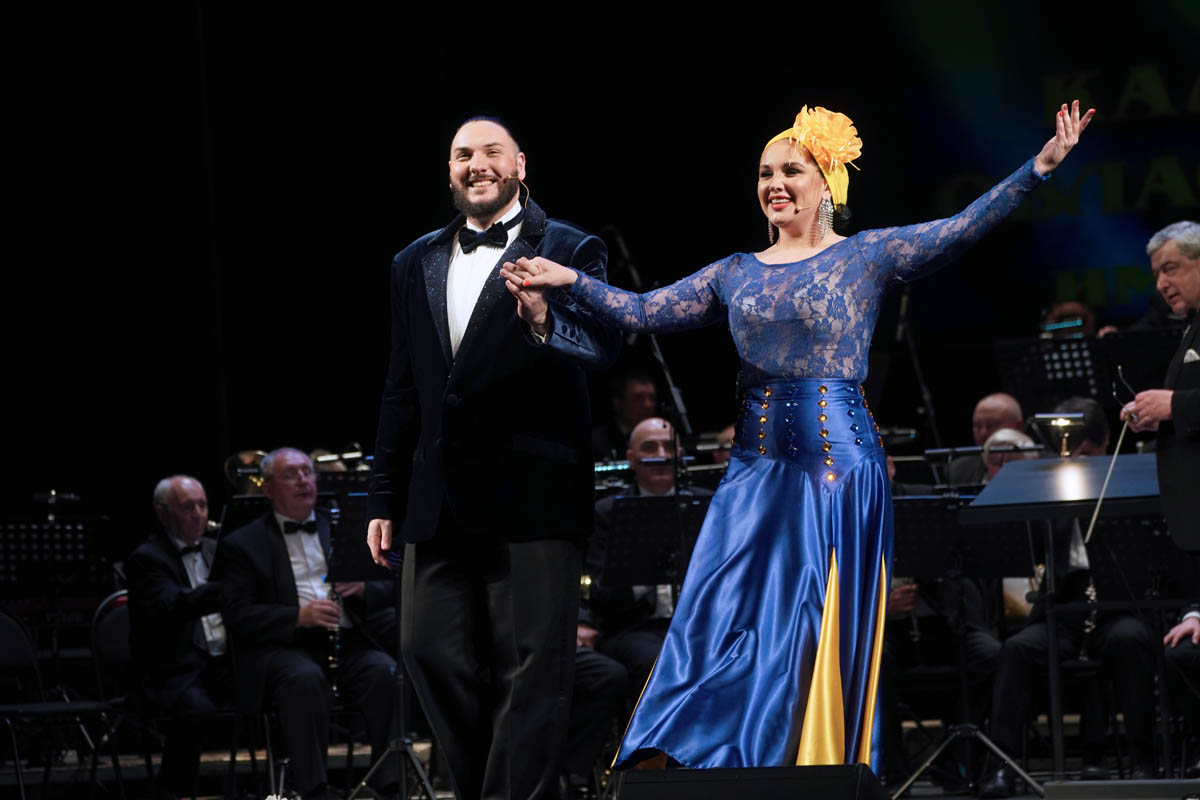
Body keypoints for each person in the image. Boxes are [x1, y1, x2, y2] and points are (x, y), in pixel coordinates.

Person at [503, 101, 1093, 771]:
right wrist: (568, 279)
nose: (775, 183)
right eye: (765, 173)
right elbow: (641, 312)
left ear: (826, 182)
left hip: (835, 468)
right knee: (717, 608)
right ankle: (716, 755)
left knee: (811, 618)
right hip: (753, 469)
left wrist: (1039, 167)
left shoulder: (864, 256)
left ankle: (812, 764)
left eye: (791, 170)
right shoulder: (735, 271)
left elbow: (960, 228)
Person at [364, 116, 620, 800]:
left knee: (532, 669)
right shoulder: (413, 260)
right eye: (462, 155)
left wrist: (543, 321)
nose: (476, 164)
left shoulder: (571, 247)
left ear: (520, 165)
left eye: (490, 152)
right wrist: (383, 496)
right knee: (425, 649)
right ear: (449, 171)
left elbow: (604, 349)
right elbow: (401, 387)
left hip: (534, 492)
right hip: (438, 499)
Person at [979, 403, 1158, 796]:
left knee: (1131, 640)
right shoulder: (1051, 482)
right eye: (1071, 452)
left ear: (1106, 443)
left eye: (1088, 453)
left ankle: (1144, 759)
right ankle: (1002, 766)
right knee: (1017, 650)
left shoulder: (1126, 481)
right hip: (1065, 606)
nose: (1079, 461)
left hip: (1115, 606)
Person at [212, 447, 397, 800]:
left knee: (384, 672)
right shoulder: (242, 544)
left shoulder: (341, 526)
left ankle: (385, 783)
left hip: (344, 642)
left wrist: (363, 588)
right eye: (290, 475)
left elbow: (389, 585)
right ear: (267, 488)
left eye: (307, 472)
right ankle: (314, 789)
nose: (302, 480)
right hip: (284, 648)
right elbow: (237, 616)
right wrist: (298, 616)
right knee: (305, 679)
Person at [585, 418, 713, 702]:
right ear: (632, 458)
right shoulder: (607, 513)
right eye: (650, 447)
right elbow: (601, 597)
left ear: (681, 454)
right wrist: (647, 570)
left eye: (669, 447)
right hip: (634, 628)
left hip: (698, 624)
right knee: (659, 662)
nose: (661, 456)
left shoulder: (708, 505)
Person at [125, 475, 229, 800]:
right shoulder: (147, 558)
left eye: (203, 505)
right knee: (196, 709)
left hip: (223, 663)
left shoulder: (216, 549)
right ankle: (173, 791)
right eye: (188, 507)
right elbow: (172, 606)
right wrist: (227, 587)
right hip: (175, 668)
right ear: (162, 512)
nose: (199, 514)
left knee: (282, 683)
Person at [1121, 221, 1200, 548]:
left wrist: (1173, 405)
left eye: (1170, 269)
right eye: (1156, 275)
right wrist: (1159, 415)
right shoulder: (1193, 324)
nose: (1161, 284)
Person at [947, 393, 1025, 485]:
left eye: (992, 425)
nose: (983, 433)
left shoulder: (1039, 465)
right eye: (977, 426)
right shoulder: (958, 470)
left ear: (1018, 426)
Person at [593, 368, 659, 461]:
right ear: (618, 403)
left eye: (652, 398)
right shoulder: (596, 441)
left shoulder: (662, 436)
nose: (647, 404)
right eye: (638, 398)